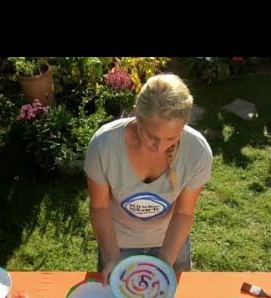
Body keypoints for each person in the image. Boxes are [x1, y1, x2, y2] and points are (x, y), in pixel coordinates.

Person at [84, 73, 213, 285]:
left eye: (172, 138)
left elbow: (183, 212)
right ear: (137, 115)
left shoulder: (198, 152)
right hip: (117, 242)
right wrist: (113, 257)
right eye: (152, 136)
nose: (160, 147)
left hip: (171, 240)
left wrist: (165, 262)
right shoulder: (103, 145)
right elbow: (99, 208)